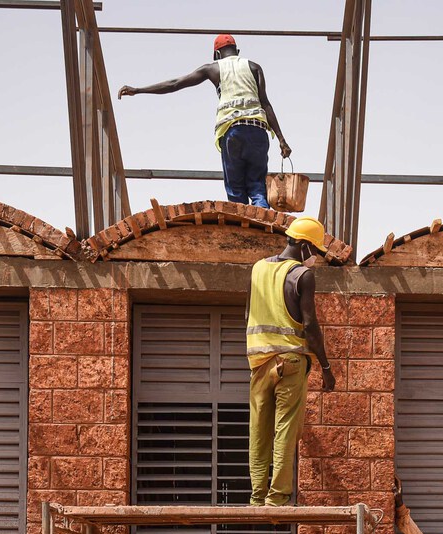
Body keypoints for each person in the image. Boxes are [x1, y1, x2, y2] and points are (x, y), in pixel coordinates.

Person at [117, 33, 292, 208]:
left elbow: (174, 84)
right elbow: (266, 103)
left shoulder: (213, 68)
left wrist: (138, 90)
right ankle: (262, 227)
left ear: (216, 54)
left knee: (236, 190)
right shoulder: (254, 67)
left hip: (232, 132)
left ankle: (242, 228)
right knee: (257, 187)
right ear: (237, 51)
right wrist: (282, 140)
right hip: (258, 131)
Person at [246, 217, 335, 506]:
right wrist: (326, 367)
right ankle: (277, 498)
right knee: (285, 429)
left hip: (259, 363)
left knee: (258, 432)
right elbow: (310, 325)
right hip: (291, 362)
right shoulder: (302, 276)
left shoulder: (257, 269)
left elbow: (247, 314)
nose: (316, 259)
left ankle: (257, 496)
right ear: (306, 246)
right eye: (316, 252)